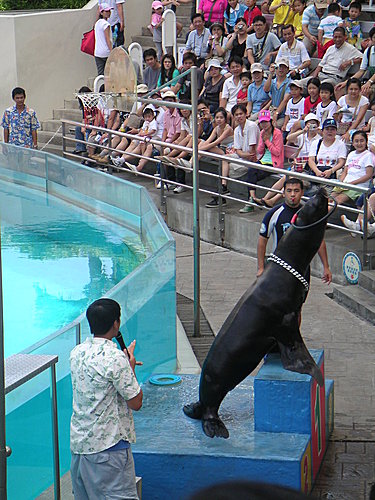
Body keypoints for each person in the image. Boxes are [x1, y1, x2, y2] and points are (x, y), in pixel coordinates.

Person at [70, 298, 143, 500]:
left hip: (80, 449)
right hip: (109, 451)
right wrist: (131, 368)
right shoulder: (115, 358)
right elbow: (135, 402)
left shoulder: (77, 352)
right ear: (116, 324)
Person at [257, 177, 332, 287]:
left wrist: (326, 267)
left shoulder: (309, 214)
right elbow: (262, 241)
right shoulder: (274, 214)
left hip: (301, 268)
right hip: (279, 267)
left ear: (302, 193)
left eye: (296, 191)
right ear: (283, 193)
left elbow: (319, 241)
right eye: (289, 191)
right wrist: (261, 268)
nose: (292, 194)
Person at [254, 112, 321, 207]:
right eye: (309, 124)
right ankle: (265, 198)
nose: (312, 126)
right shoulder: (302, 136)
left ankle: (273, 200)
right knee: (284, 179)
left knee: (290, 181)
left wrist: (318, 131)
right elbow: (289, 138)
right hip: (298, 165)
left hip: (308, 169)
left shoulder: (319, 139)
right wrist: (303, 131)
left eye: (314, 124)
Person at [206, 103, 258, 207]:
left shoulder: (252, 126)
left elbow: (252, 153)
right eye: (236, 115)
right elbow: (238, 151)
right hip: (242, 156)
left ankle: (221, 195)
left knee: (224, 168)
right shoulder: (237, 129)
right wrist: (243, 154)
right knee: (223, 159)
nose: (239, 116)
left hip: (252, 160)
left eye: (241, 114)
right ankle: (223, 187)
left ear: (246, 114)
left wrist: (243, 154)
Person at [239, 108, 284, 213]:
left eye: (266, 121)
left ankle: (251, 201)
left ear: (270, 121)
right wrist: (262, 141)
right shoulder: (263, 132)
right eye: (262, 122)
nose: (264, 124)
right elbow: (259, 150)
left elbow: (277, 152)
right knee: (251, 171)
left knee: (252, 174)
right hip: (263, 160)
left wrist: (267, 141)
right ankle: (252, 198)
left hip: (274, 163)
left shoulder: (277, 133)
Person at [331, 130, 373, 208]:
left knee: (337, 201)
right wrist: (341, 183)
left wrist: (352, 183)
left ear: (366, 142)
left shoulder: (368, 155)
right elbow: (345, 171)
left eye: (362, 141)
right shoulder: (351, 154)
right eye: (356, 141)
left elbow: (368, 175)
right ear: (353, 143)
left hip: (358, 186)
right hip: (345, 183)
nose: (359, 144)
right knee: (329, 199)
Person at [307, 118, 347, 195]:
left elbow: (341, 162)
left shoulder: (340, 144)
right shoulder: (316, 143)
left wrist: (331, 171)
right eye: (327, 129)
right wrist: (317, 171)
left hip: (331, 173)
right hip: (317, 172)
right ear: (322, 131)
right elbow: (311, 160)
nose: (330, 131)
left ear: (336, 131)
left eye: (332, 129)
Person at [336, 77, 369, 142]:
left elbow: (358, 120)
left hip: (357, 129)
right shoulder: (342, 99)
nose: (353, 91)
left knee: (347, 139)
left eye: (356, 89)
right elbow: (338, 117)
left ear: (360, 90)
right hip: (343, 127)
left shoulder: (364, 101)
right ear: (347, 90)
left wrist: (348, 132)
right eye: (351, 89)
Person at [263, 58, 291, 128]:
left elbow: (285, 100)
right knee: (259, 123)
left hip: (283, 114)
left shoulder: (290, 83)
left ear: (287, 70)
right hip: (272, 111)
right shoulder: (273, 81)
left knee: (274, 126)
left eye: (284, 68)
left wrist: (276, 113)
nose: (281, 69)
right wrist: (270, 74)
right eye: (279, 67)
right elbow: (266, 89)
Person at [94, 2, 113, 76]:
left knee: (100, 75)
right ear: (101, 12)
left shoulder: (97, 23)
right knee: (108, 75)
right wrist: (112, 52)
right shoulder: (106, 24)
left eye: (109, 11)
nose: (109, 13)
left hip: (97, 52)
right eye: (106, 11)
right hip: (106, 52)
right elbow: (107, 39)